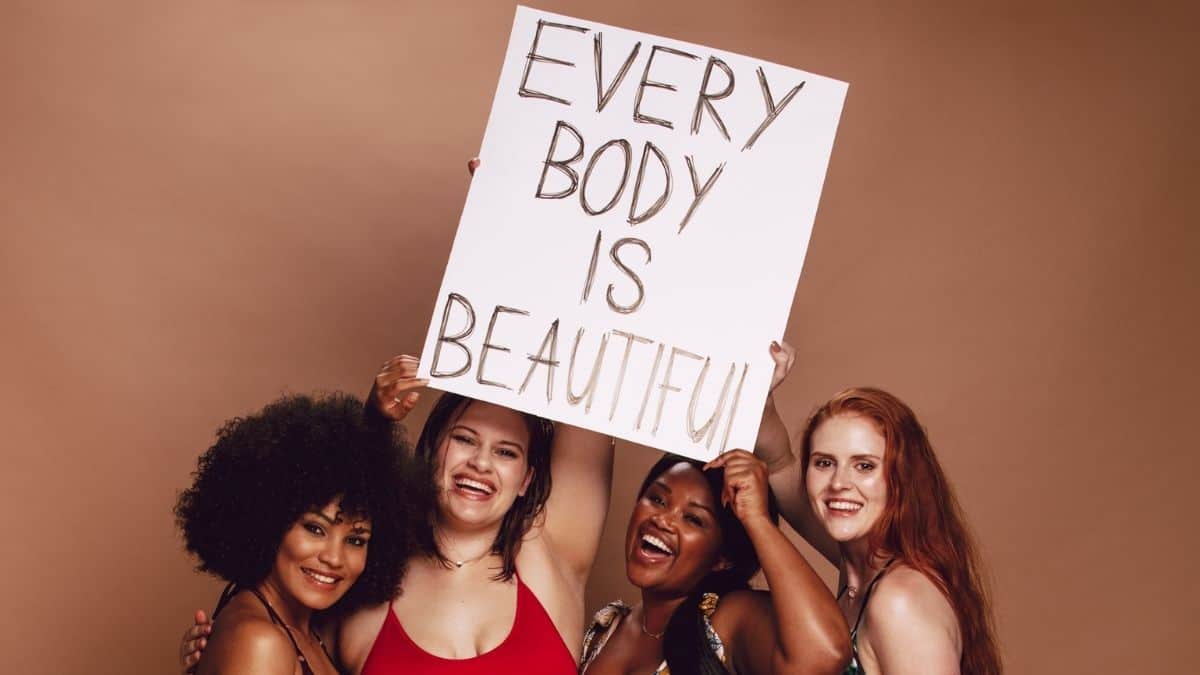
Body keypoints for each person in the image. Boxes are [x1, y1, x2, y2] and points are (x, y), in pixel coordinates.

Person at [174, 393, 423, 675]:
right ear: (270, 520)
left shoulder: (304, 630)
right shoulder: (260, 643)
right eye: (315, 529)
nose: (333, 557)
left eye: (355, 540)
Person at [762, 388, 1002, 674]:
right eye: (824, 463)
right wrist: (761, 390)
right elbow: (778, 464)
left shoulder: (898, 601)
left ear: (901, 477)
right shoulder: (863, 566)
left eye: (864, 466)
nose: (839, 483)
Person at [578, 450, 849, 675]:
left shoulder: (727, 619)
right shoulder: (608, 626)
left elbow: (825, 655)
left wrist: (757, 519)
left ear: (723, 558)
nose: (662, 520)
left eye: (693, 519)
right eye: (657, 499)